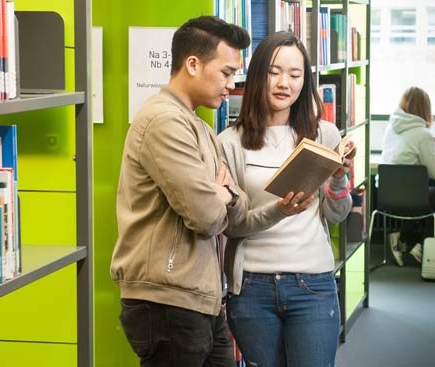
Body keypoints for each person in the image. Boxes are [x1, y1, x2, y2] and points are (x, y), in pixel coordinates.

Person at [110, 16, 251, 367]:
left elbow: (239, 208)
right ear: (192, 64)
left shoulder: (200, 127)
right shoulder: (164, 122)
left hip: (199, 297)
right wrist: (217, 196)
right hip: (168, 302)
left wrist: (225, 194)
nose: (231, 85)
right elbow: (205, 216)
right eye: (226, 72)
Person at [218, 31, 355, 367]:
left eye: (295, 75)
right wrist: (278, 210)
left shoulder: (323, 134)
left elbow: (336, 214)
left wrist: (339, 178)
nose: (284, 83)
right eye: (274, 72)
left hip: (313, 282)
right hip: (251, 287)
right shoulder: (229, 143)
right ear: (257, 74)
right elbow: (231, 225)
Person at [381, 86, 435, 266]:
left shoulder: (391, 128)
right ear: (425, 109)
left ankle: (405, 239)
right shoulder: (423, 134)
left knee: (418, 195)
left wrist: (431, 141)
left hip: (387, 195)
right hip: (413, 196)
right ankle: (423, 247)